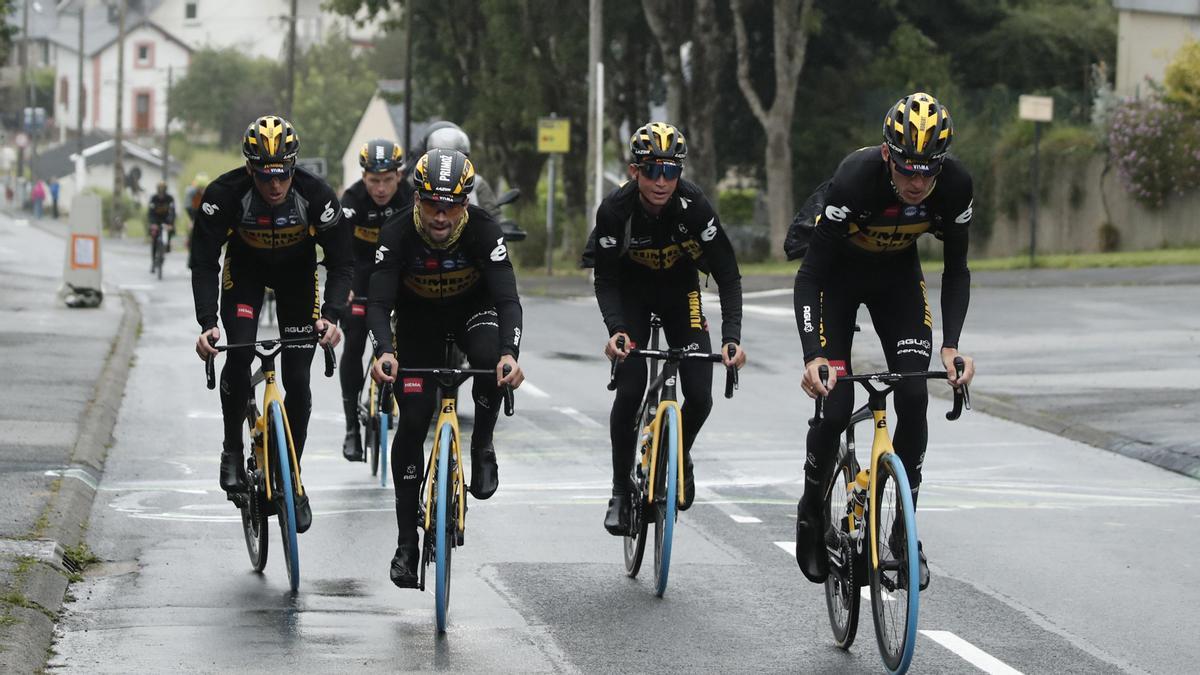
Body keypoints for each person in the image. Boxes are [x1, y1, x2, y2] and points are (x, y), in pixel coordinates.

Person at [792, 92, 977, 589]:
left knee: (915, 396)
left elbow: (955, 270)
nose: (917, 184)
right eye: (906, 170)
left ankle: (902, 531)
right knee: (834, 406)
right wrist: (814, 357)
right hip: (837, 277)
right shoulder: (855, 178)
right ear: (886, 155)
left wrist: (952, 344)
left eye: (928, 171)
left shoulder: (955, 186)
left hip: (897, 278)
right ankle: (812, 510)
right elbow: (809, 277)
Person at [367, 148, 524, 588]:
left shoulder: (484, 230)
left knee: (491, 361)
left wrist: (511, 354)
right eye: (432, 204)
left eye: (452, 205)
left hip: (474, 311)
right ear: (416, 200)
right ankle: (405, 543)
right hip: (418, 320)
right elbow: (378, 304)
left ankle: (482, 447)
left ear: (464, 203)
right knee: (414, 420)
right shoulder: (396, 233)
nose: (441, 215)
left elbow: (508, 299)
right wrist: (384, 351)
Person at [190, 114, 352, 534]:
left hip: (297, 277)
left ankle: (292, 477)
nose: (275, 186)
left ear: (295, 167)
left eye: (283, 176)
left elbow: (342, 263)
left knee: (298, 379)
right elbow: (204, 262)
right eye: (265, 177)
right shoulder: (225, 194)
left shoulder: (317, 196)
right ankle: (231, 448)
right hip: (245, 274)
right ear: (250, 169)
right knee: (239, 352)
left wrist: (331, 317)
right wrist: (208, 322)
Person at [591, 121, 747, 536]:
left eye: (671, 171)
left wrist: (731, 338)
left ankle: (679, 452)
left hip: (682, 293)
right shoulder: (614, 210)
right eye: (652, 171)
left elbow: (729, 275)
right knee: (630, 389)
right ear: (633, 171)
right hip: (632, 295)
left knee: (701, 395)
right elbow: (605, 280)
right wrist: (617, 329)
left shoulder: (694, 206)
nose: (662, 182)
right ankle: (621, 490)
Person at [337, 139, 412, 461]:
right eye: (373, 181)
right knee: (353, 338)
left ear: (399, 176)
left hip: (399, 271)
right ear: (364, 177)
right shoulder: (352, 199)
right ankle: (352, 428)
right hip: (361, 273)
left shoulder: (411, 197)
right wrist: (344, 287)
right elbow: (338, 248)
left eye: (387, 180)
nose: (380, 189)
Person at [147, 181, 176, 266]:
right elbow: (150, 212)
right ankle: (153, 261)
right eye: (160, 189)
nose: (161, 191)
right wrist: (152, 223)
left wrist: (171, 223)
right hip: (156, 221)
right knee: (154, 240)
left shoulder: (170, 198)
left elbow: (172, 212)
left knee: (171, 231)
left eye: (163, 189)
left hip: (166, 220)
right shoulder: (154, 198)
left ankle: (167, 246)